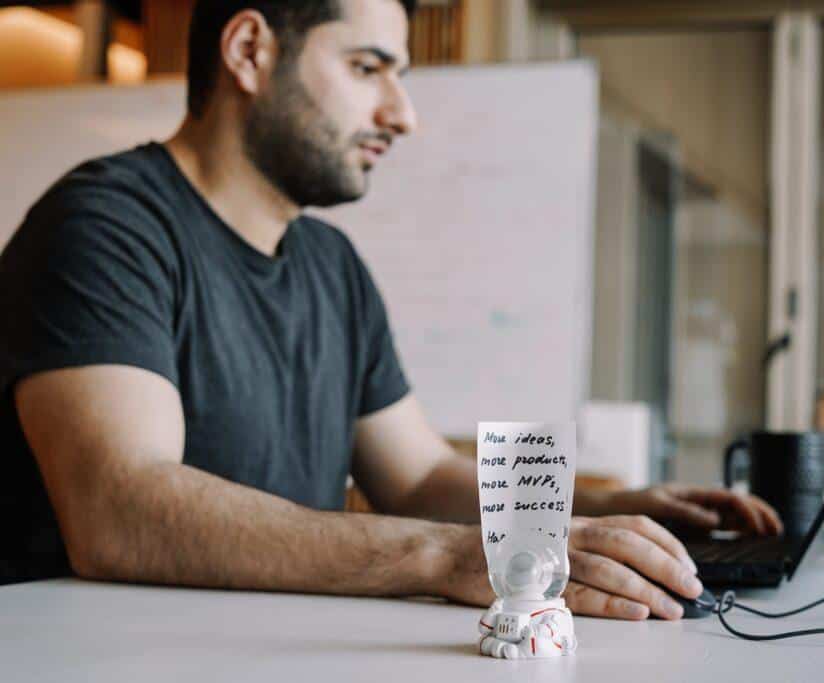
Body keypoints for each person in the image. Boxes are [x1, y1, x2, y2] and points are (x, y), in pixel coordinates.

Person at [0, 0, 781, 621]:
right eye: (368, 67)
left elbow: (418, 476)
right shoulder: (104, 227)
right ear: (248, 51)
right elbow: (120, 511)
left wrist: (615, 509)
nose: (402, 113)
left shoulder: (332, 267)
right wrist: (444, 557)